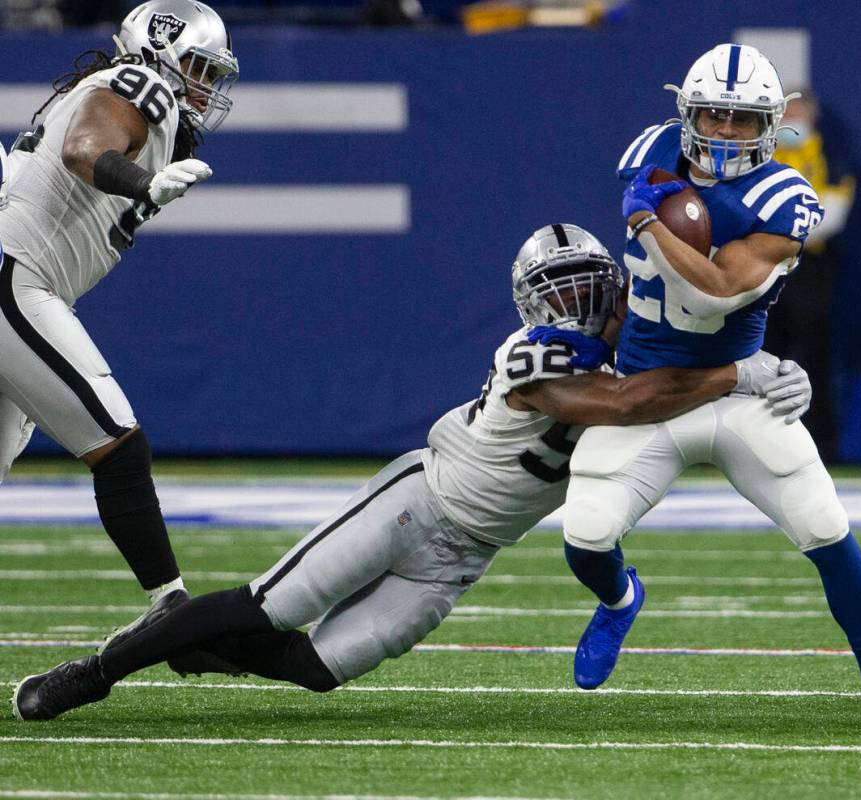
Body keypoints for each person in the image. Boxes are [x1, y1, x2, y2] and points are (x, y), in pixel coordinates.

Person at [10, 223, 811, 720]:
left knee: (315, 671)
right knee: (271, 606)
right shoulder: (535, 355)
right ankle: (102, 669)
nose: (569, 303)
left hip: (465, 557)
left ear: (611, 286)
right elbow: (624, 403)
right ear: (528, 305)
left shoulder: (645, 349)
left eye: (581, 285)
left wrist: (771, 372)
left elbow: (693, 374)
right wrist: (735, 376)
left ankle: (191, 638)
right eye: (552, 290)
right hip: (421, 500)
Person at [555, 44, 861, 727]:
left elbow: (715, 296)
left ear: (771, 124)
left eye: (742, 119)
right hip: (647, 395)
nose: (726, 131)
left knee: (825, 527)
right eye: (713, 115)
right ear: (686, 112)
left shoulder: (784, 196)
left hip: (739, 392)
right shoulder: (650, 150)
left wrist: (646, 220)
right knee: (584, 533)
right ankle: (619, 599)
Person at [0, 1, 238, 637]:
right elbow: (84, 149)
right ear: (159, 50)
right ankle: (172, 612)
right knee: (118, 444)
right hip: (15, 278)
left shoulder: (127, 93)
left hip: (21, 275)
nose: (205, 87)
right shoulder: (143, 84)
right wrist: (144, 184)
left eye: (213, 75)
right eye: (198, 67)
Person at [762, 89, 855, 460]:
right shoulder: (764, 152)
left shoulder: (828, 153)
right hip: (763, 263)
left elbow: (834, 210)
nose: (791, 120)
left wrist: (785, 235)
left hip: (808, 264)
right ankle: (758, 441)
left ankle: (821, 443)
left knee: (812, 354)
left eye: (797, 111)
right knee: (762, 351)